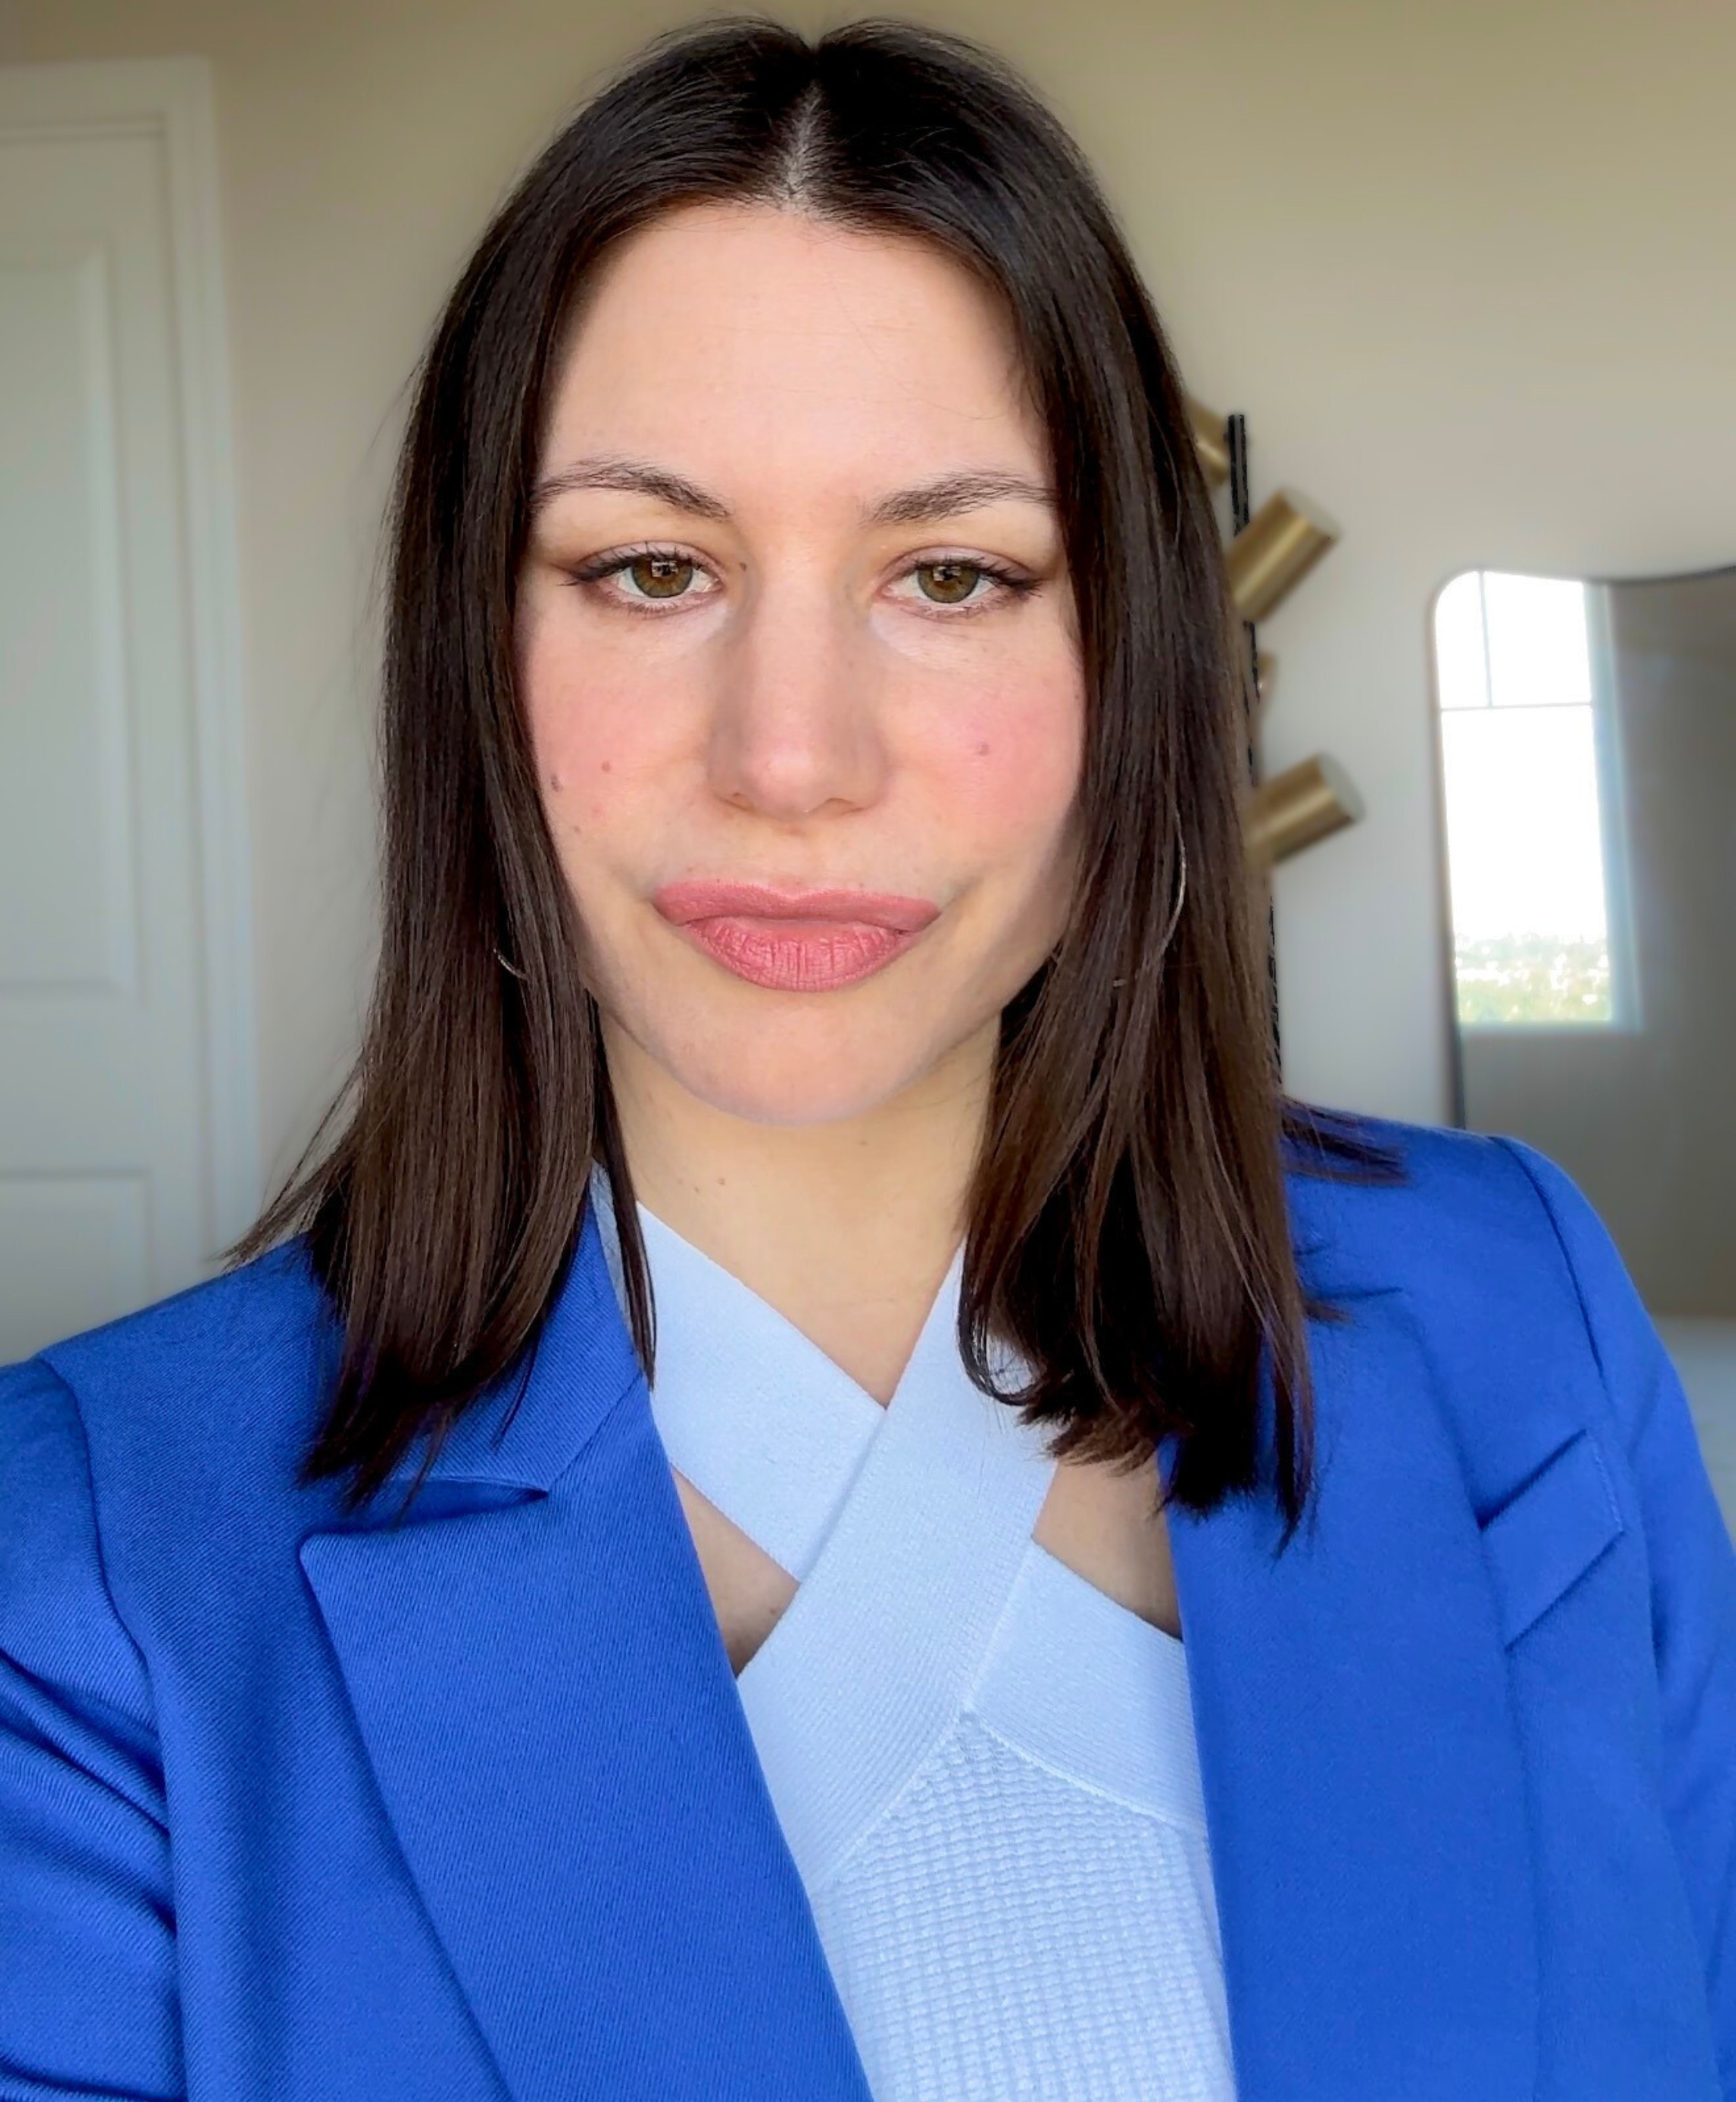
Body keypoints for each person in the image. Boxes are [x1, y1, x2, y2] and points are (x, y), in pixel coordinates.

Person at [1, 15, 1730, 2100]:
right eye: (649, 568)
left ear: (1126, 664)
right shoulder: (91, 1559)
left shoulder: (1504, 1310)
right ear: (474, 654)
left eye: (951, 574)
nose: (790, 758)